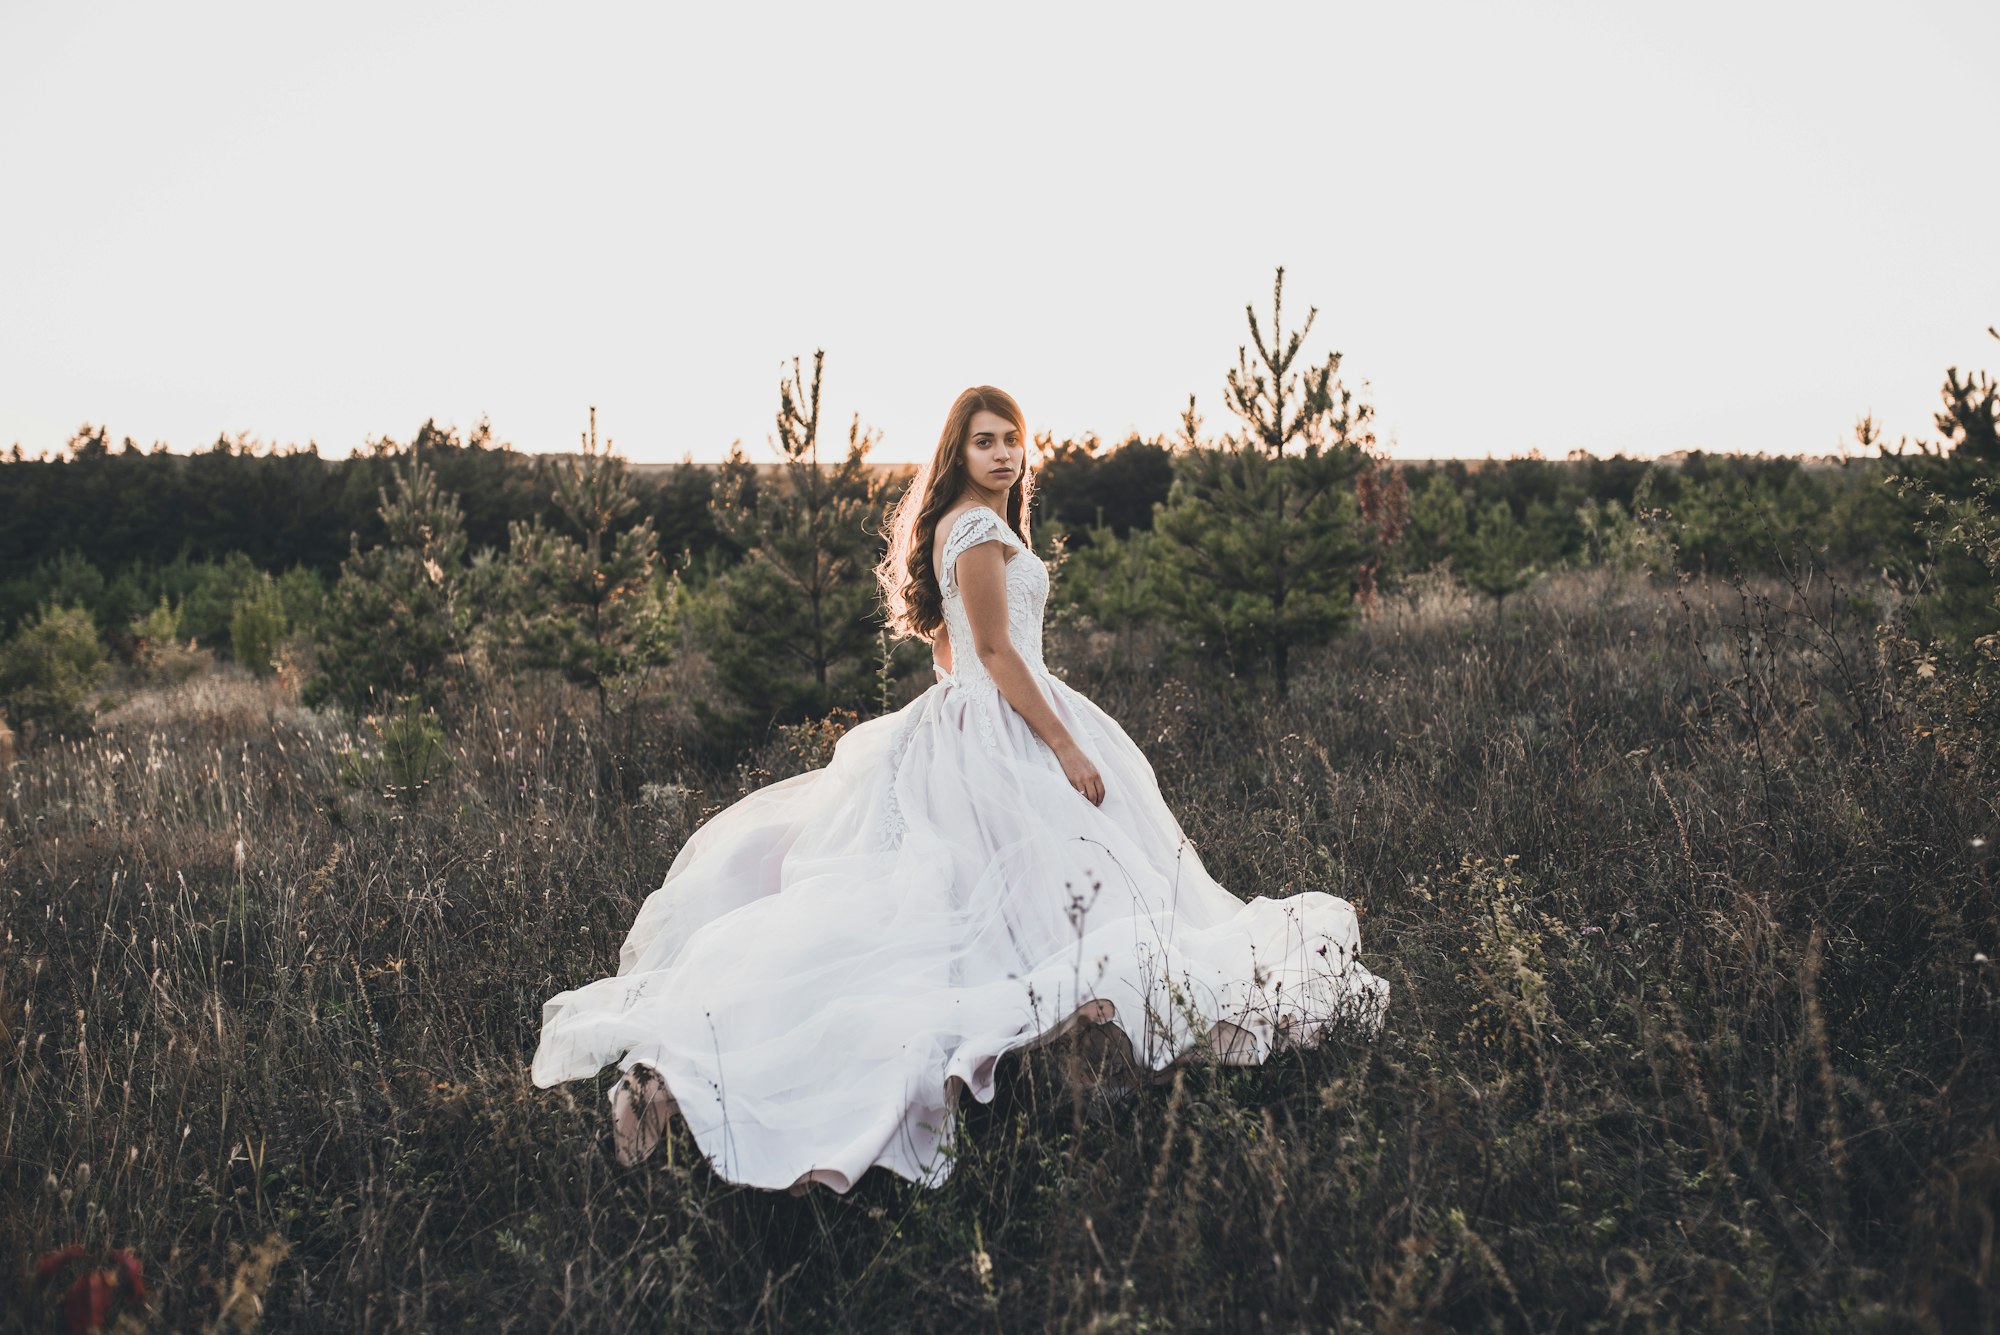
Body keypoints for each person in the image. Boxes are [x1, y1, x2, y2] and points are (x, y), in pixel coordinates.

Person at [530, 385, 1389, 1193]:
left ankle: (1074, 1064)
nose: (1006, 452)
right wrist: (1063, 746)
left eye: (1014, 438)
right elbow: (996, 650)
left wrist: (980, 698)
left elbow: (949, 653)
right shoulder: (978, 531)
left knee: (1019, 904)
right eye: (986, 441)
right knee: (1043, 895)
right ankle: (1065, 1067)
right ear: (960, 450)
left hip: (975, 717)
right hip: (1007, 725)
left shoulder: (958, 522)